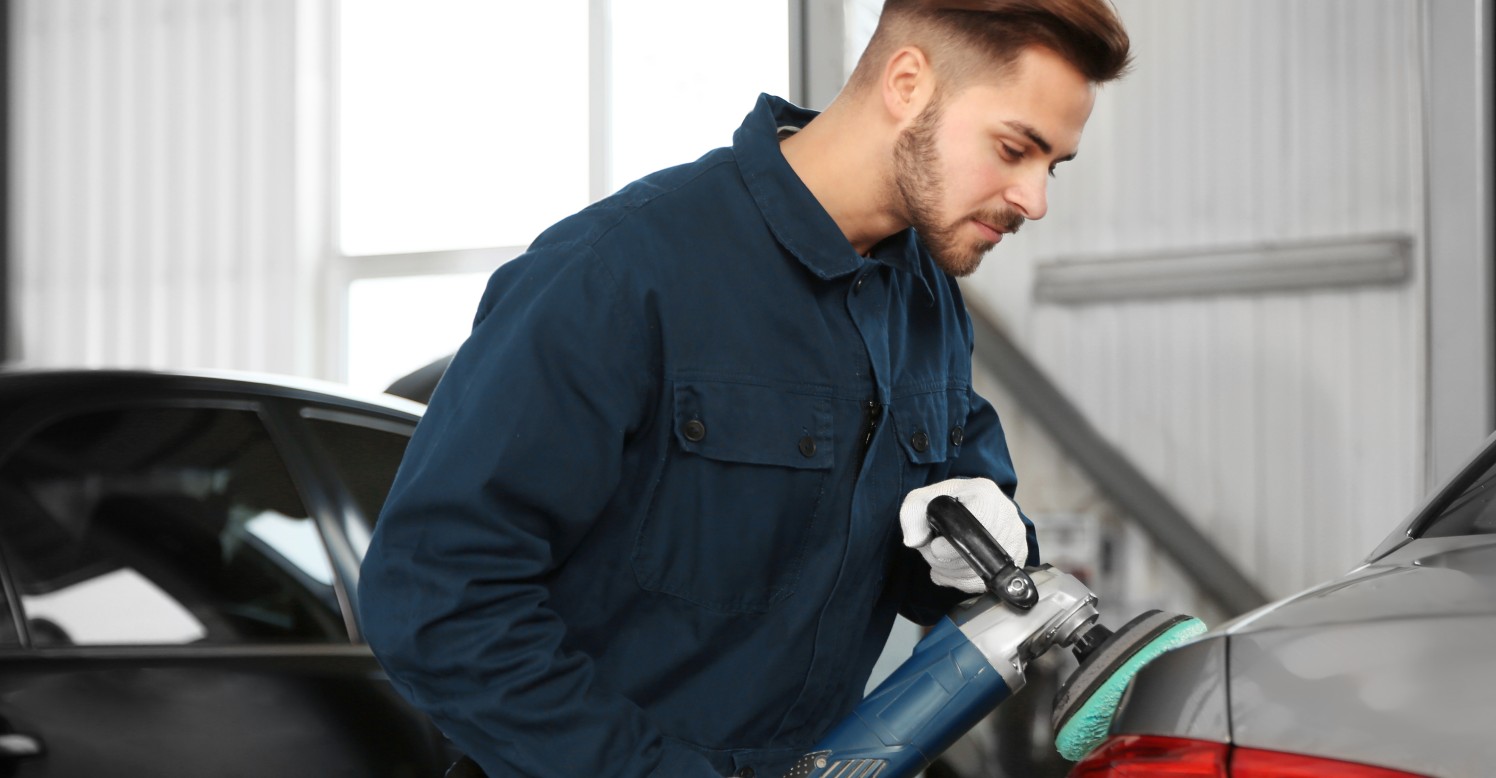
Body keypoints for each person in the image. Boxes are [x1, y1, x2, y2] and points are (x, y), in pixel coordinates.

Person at [355, 1, 1132, 776]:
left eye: (1052, 165)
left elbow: (947, 547)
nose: (1036, 200)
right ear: (907, 82)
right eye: (1014, 149)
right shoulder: (618, 275)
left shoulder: (926, 305)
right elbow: (434, 600)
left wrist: (990, 557)